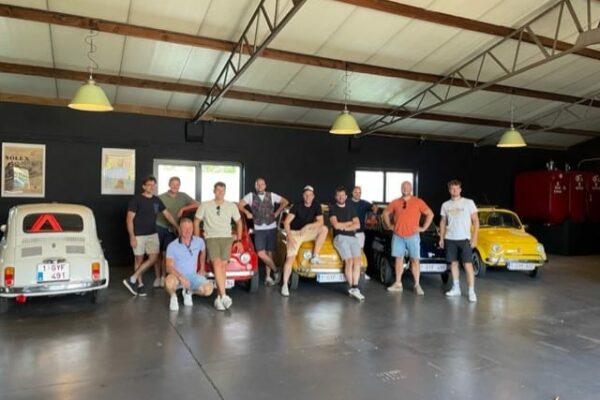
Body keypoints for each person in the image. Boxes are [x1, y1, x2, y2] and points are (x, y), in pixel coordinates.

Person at [123, 175, 179, 296]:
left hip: (152, 234)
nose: (151, 187)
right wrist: (132, 236)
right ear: (144, 186)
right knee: (139, 259)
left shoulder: (156, 200)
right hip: (138, 235)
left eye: (153, 185)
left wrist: (177, 226)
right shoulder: (136, 200)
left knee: (154, 258)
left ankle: (132, 279)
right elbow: (129, 219)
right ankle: (140, 285)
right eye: (149, 185)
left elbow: (167, 214)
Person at [194, 181, 242, 311]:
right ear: (214, 191)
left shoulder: (231, 206)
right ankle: (224, 295)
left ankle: (219, 299)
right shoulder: (205, 205)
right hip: (211, 238)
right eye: (218, 190)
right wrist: (197, 239)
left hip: (227, 238)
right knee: (217, 263)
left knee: (223, 267)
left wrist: (239, 240)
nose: (220, 192)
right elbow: (196, 221)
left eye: (222, 190)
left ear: (225, 192)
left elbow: (239, 223)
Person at [382, 181, 434, 295]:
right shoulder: (395, 202)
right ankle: (398, 284)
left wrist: (423, 228)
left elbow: (430, 214)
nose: (405, 189)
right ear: (401, 188)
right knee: (398, 259)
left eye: (407, 187)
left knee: (415, 260)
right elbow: (385, 213)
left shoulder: (418, 201)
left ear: (411, 189)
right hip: (398, 236)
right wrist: (389, 225)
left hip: (413, 236)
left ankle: (417, 285)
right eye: (403, 187)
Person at [239, 177, 289, 286]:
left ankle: (268, 277)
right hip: (259, 229)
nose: (260, 186)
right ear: (255, 186)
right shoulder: (250, 196)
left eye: (262, 184)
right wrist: (247, 212)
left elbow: (285, 202)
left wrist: (277, 212)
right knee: (261, 253)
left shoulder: (271, 195)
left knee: (269, 253)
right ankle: (276, 270)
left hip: (271, 227)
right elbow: (240, 204)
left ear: (265, 186)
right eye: (258, 184)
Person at [280, 185, 328, 297]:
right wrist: (290, 237)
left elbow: (320, 222)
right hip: (295, 233)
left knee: (324, 229)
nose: (308, 197)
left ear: (313, 196)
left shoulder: (316, 205)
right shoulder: (297, 206)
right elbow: (286, 223)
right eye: (306, 195)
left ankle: (315, 255)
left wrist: (307, 226)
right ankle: (285, 285)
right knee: (290, 258)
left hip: (307, 231)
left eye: (310, 195)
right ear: (303, 196)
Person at [439, 179, 479, 303]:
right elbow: (443, 222)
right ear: (449, 190)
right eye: (452, 188)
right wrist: (441, 238)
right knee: (453, 264)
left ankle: (471, 291)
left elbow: (476, 221)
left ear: (460, 190)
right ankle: (456, 289)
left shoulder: (469, 202)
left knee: (468, 265)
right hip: (450, 239)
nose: (454, 190)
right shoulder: (445, 205)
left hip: (465, 239)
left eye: (456, 188)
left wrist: (474, 238)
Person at [155, 176, 198, 288]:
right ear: (169, 184)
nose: (175, 186)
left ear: (179, 185)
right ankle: (157, 277)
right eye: (173, 184)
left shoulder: (183, 196)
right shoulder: (160, 197)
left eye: (177, 184)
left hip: (173, 229)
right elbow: (153, 212)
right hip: (160, 226)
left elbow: (197, 204)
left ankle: (163, 277)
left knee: (166, 253)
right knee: (157, 254)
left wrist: (183, 209)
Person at [164, 218, 214, 311]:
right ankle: (173, 297)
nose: (187, 231)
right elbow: (168, 267)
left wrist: (202, 267)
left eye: (190, 228)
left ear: (193, 229)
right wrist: (180, 277)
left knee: (208, 290)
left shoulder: (199, 241)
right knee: (168, 282)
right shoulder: (172, 246)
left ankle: (189, 292)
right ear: (179, 229)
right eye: (184, 228)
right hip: (177, 276)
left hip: (192, 276)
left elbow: (203, 251)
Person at [330, 186, 364, 301]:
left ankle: (355, 287)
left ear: (346, 196)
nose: (341, 197)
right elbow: (336, 225)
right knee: (349, 261)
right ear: (336, 197)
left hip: (353, 238)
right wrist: (350, 223)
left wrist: (344, 226)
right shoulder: (333, 209)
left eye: (343, 195)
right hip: (339, 237)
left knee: (357, 261)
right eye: (339, 195)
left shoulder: (351, 209)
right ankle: (353, 287)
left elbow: (358, 225)